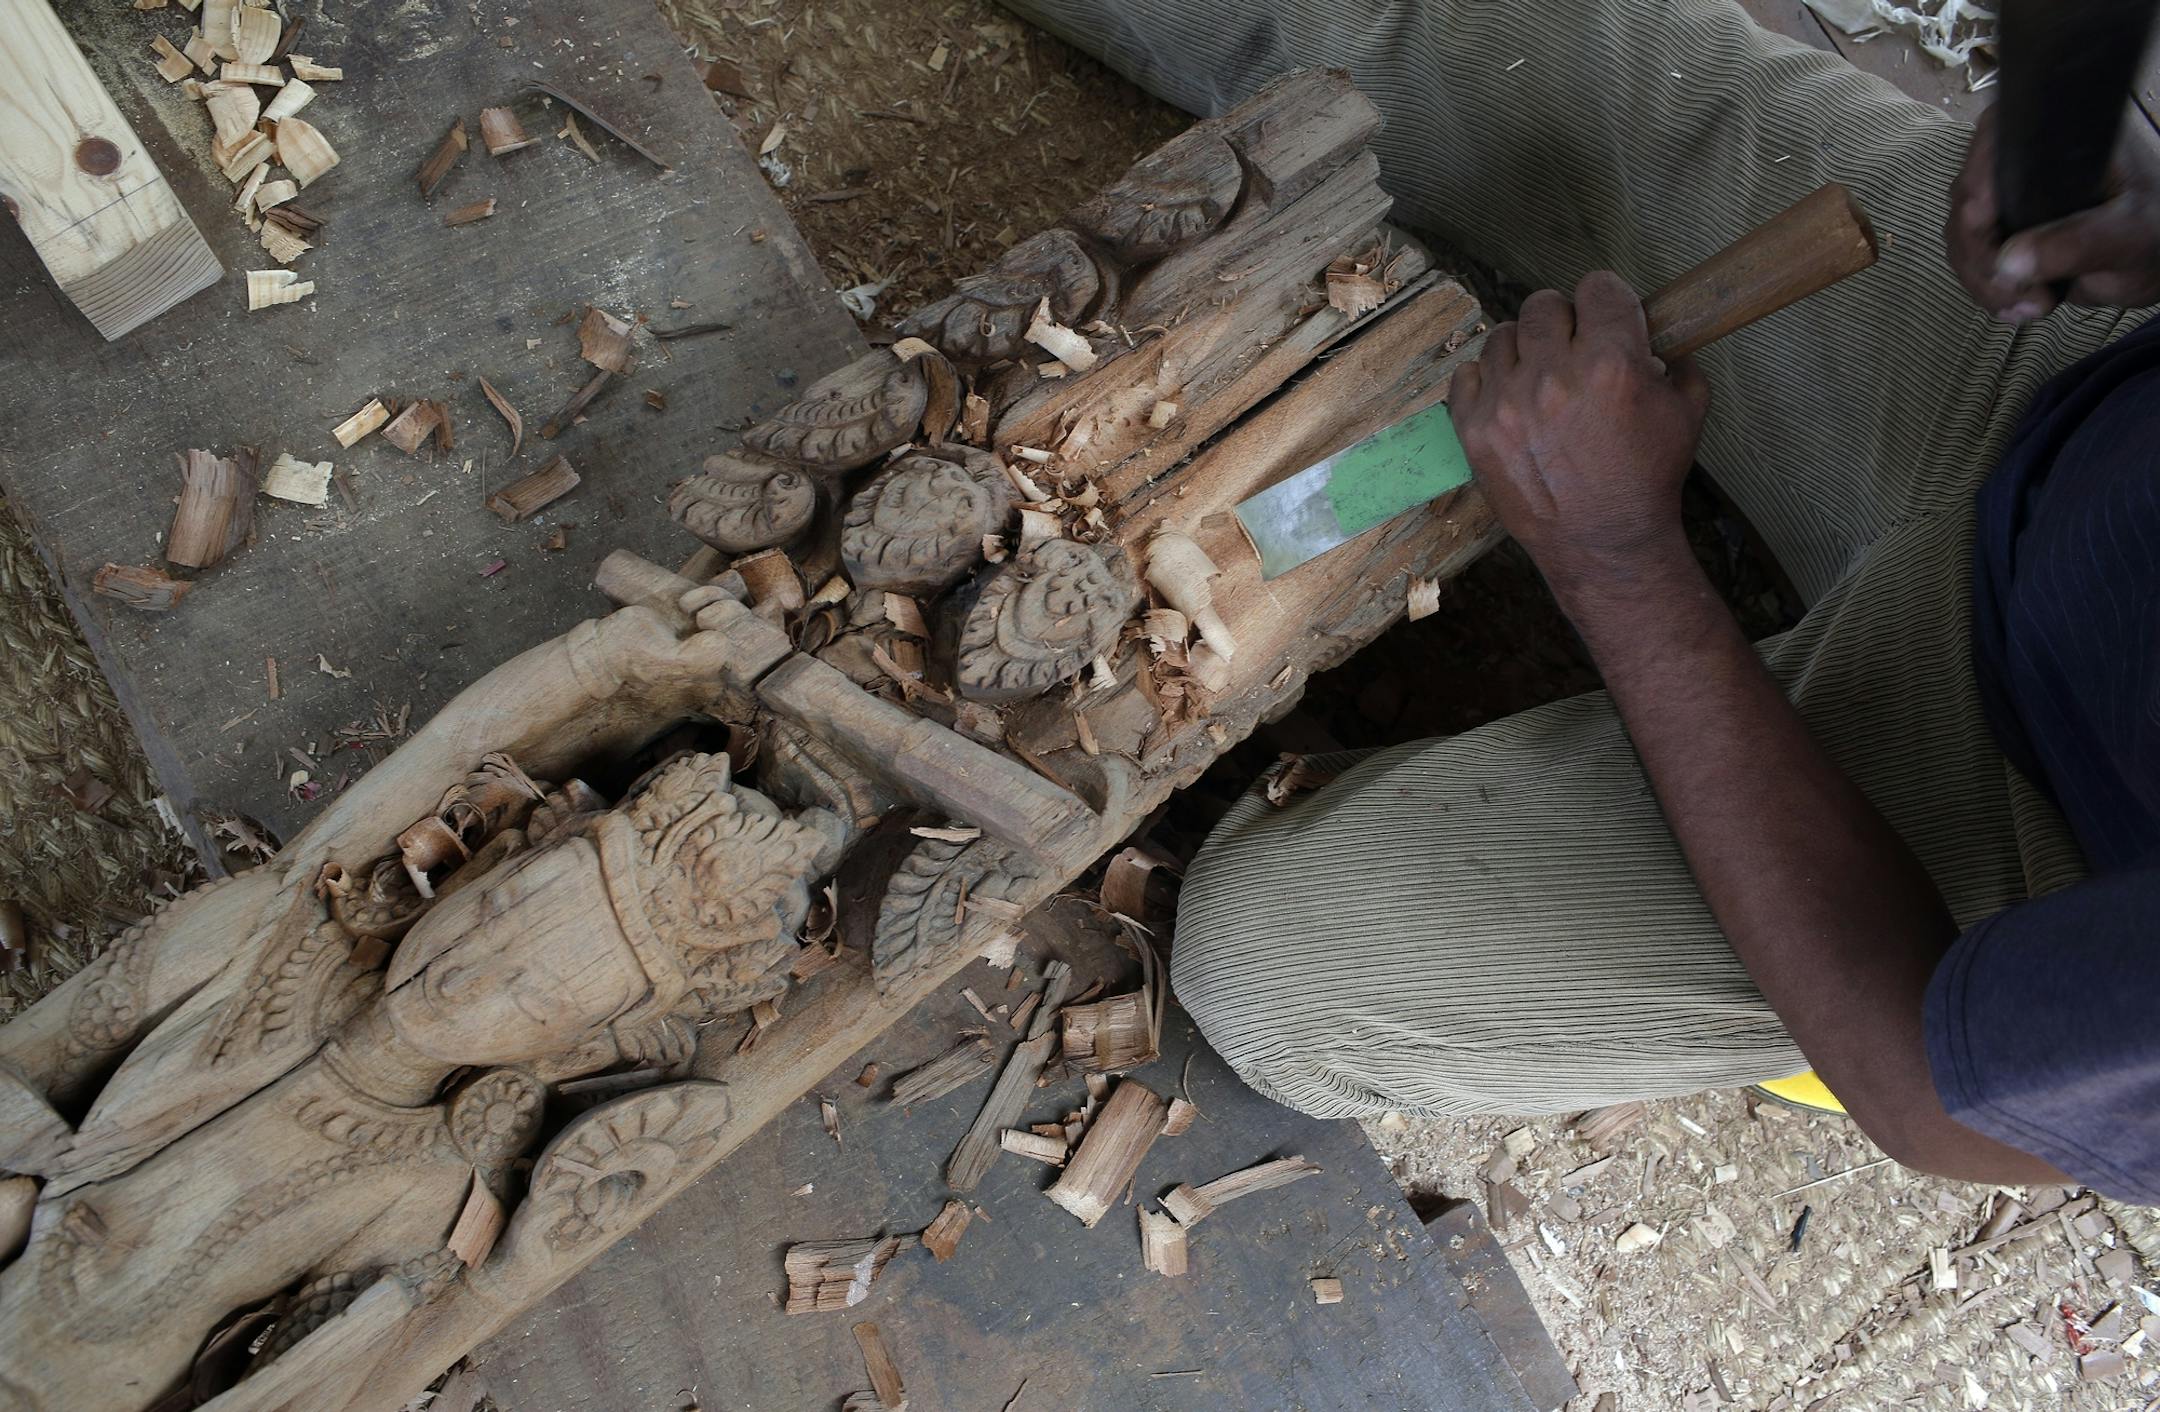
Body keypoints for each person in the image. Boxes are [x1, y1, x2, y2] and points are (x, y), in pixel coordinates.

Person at [1000, 0, 2159, 1202]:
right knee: (1519, 54)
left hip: (2023, 838)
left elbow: (1926, 1090)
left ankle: (1974, 1020)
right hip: (2082, 365)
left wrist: (1616, 564)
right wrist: (2097, 96)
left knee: (1273, 970)